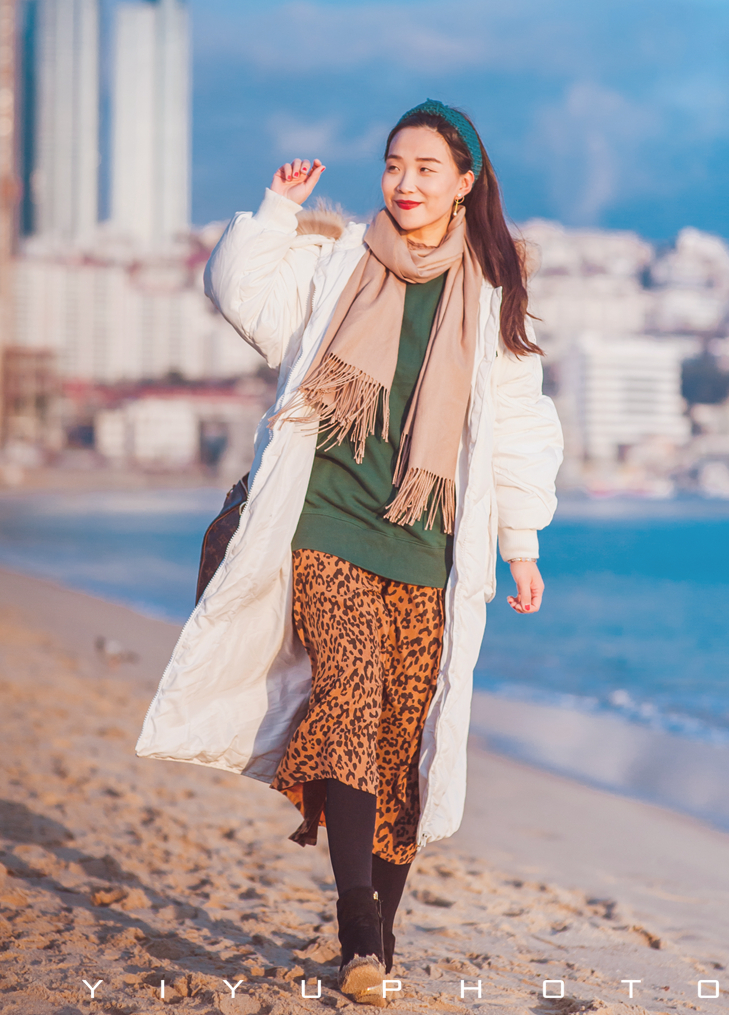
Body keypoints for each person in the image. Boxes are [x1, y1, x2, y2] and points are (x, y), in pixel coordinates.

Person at [136, 100, 563, 1007]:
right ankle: (358, 926)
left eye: (425, 169)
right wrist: (277, 214)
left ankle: (377, 941)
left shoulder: (493, 293)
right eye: (393, 165)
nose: (404, 184)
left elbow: (521, 425)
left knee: (403, 736)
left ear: (465, 184)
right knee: (352, 690)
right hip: (323, 518)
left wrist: (520, 544)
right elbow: (240, 298)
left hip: (427, 543)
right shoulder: (339, 260)